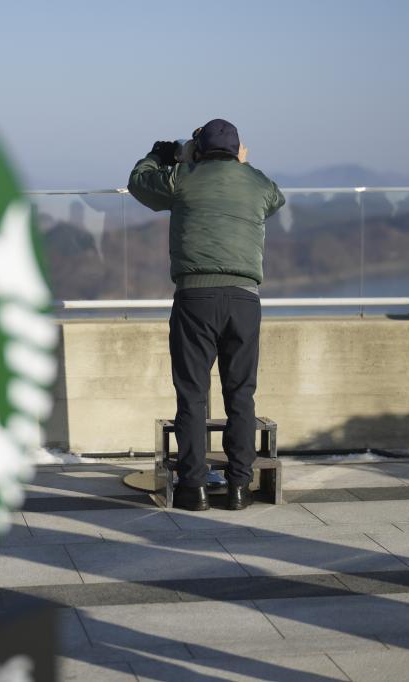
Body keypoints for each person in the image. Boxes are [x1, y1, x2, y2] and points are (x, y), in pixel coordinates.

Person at [128, 118, 284, 511]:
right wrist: (243, 167)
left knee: (193, 395)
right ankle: (238, 489)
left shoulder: (181, 177)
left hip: (195, 298)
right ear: (237, 150)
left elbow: (139, 182)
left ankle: (193, 488)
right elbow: (275, 199)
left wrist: (161, 155)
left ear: (199, 150)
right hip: (245, 300)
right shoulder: (256, 183)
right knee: (241, 395)